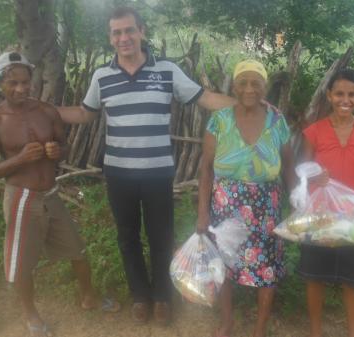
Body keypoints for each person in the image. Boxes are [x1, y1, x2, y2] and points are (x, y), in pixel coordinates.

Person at [58, 7, 236, 325]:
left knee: (160, 236)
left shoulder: (166, 70)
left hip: (157, 172)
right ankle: (140, 295)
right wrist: (43, 110)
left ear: (141, 31)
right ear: (110, 38)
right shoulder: (102, 77)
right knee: (127, 236)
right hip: (118, 173)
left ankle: (162, 298)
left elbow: (203, 97)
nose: (123, 38)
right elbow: (85, 114)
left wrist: (246, 105)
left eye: (129, 30)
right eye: (116, 33)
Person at [0, 51, 119, 337]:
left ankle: (88, 296)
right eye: (12, 83)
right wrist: (19, 159)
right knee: (22, 263)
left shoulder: (46, 111)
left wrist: (58, 152)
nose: (20, 88)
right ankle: (31, 316)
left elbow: (63, 146)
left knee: (77, 250)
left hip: (51, 194)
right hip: (22, 198)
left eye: (25, 82)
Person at [196, 60, 296, 337]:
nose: (249, 89)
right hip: (225, 209)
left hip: (267, 208)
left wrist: (299, 203)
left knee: (267, 271)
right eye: (243, 82)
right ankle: (227, 323)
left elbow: (288, 167)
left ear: (265, 86)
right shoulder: (219, 121)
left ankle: (259, 330)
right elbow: (205, 170)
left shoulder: (277, 121)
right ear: (234, 86)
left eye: (256, 83)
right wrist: (203, 212)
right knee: (224, 267)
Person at [296, 68, 354, 337]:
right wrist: (314, 180)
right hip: (321, 216)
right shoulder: (314, 132)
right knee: (315, 278)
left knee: (353, 282)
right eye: (339, 94)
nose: (345, 99)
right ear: (329, 95)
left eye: (352, 94)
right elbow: (304, 174)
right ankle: (315, 332)